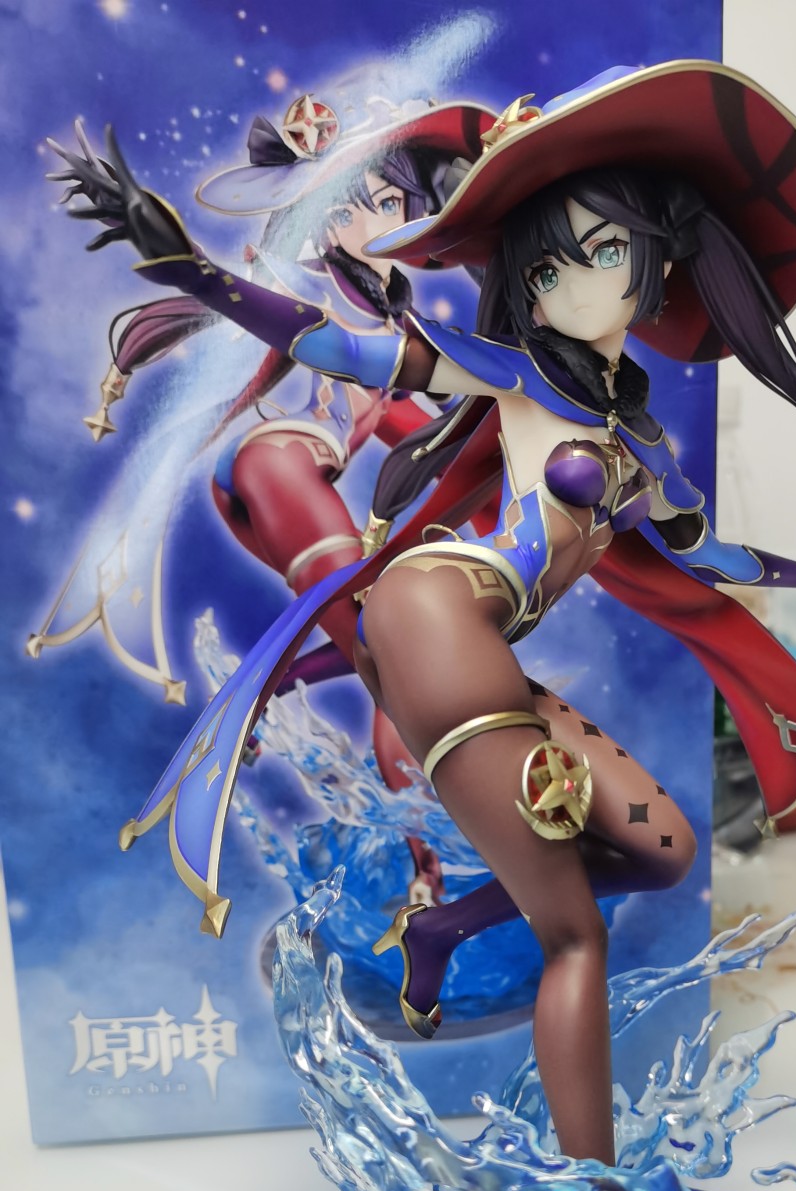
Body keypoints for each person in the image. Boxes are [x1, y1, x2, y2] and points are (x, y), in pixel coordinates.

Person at [52, 61, 796, 1191]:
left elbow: (702, 555)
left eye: (601, 253)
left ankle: (438, 930)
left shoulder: (642, 441)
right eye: (545, 264)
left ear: (659, 263)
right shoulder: (501, 369)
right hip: (434, 620)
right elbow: (335, 345)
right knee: (576, 941)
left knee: (661, 849)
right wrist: (184, 264)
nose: (568, 283)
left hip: (482, 653)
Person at [54, 93, 493, 790]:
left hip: (286, 484)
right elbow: (217, 288)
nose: (378, 222)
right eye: (349, 210)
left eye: (392, 203)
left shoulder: (399, 326)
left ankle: (261, 697)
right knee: (388, 647)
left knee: (389, 625)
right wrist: (158, 241)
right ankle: (426, 805)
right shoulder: (307, 291)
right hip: (275, 465)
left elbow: (429, 425)